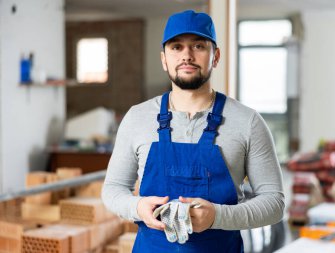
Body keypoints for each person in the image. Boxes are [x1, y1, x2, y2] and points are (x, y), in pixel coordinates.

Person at [102, 9, 284, 252]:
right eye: (176, 47)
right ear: (164, 58)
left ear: (215, 56)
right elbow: (112, 189)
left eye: (198, 46)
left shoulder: (248, 122)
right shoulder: (137, 118)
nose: (186, 55)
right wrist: (138, 208)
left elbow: (275, 203)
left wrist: (217, 216)